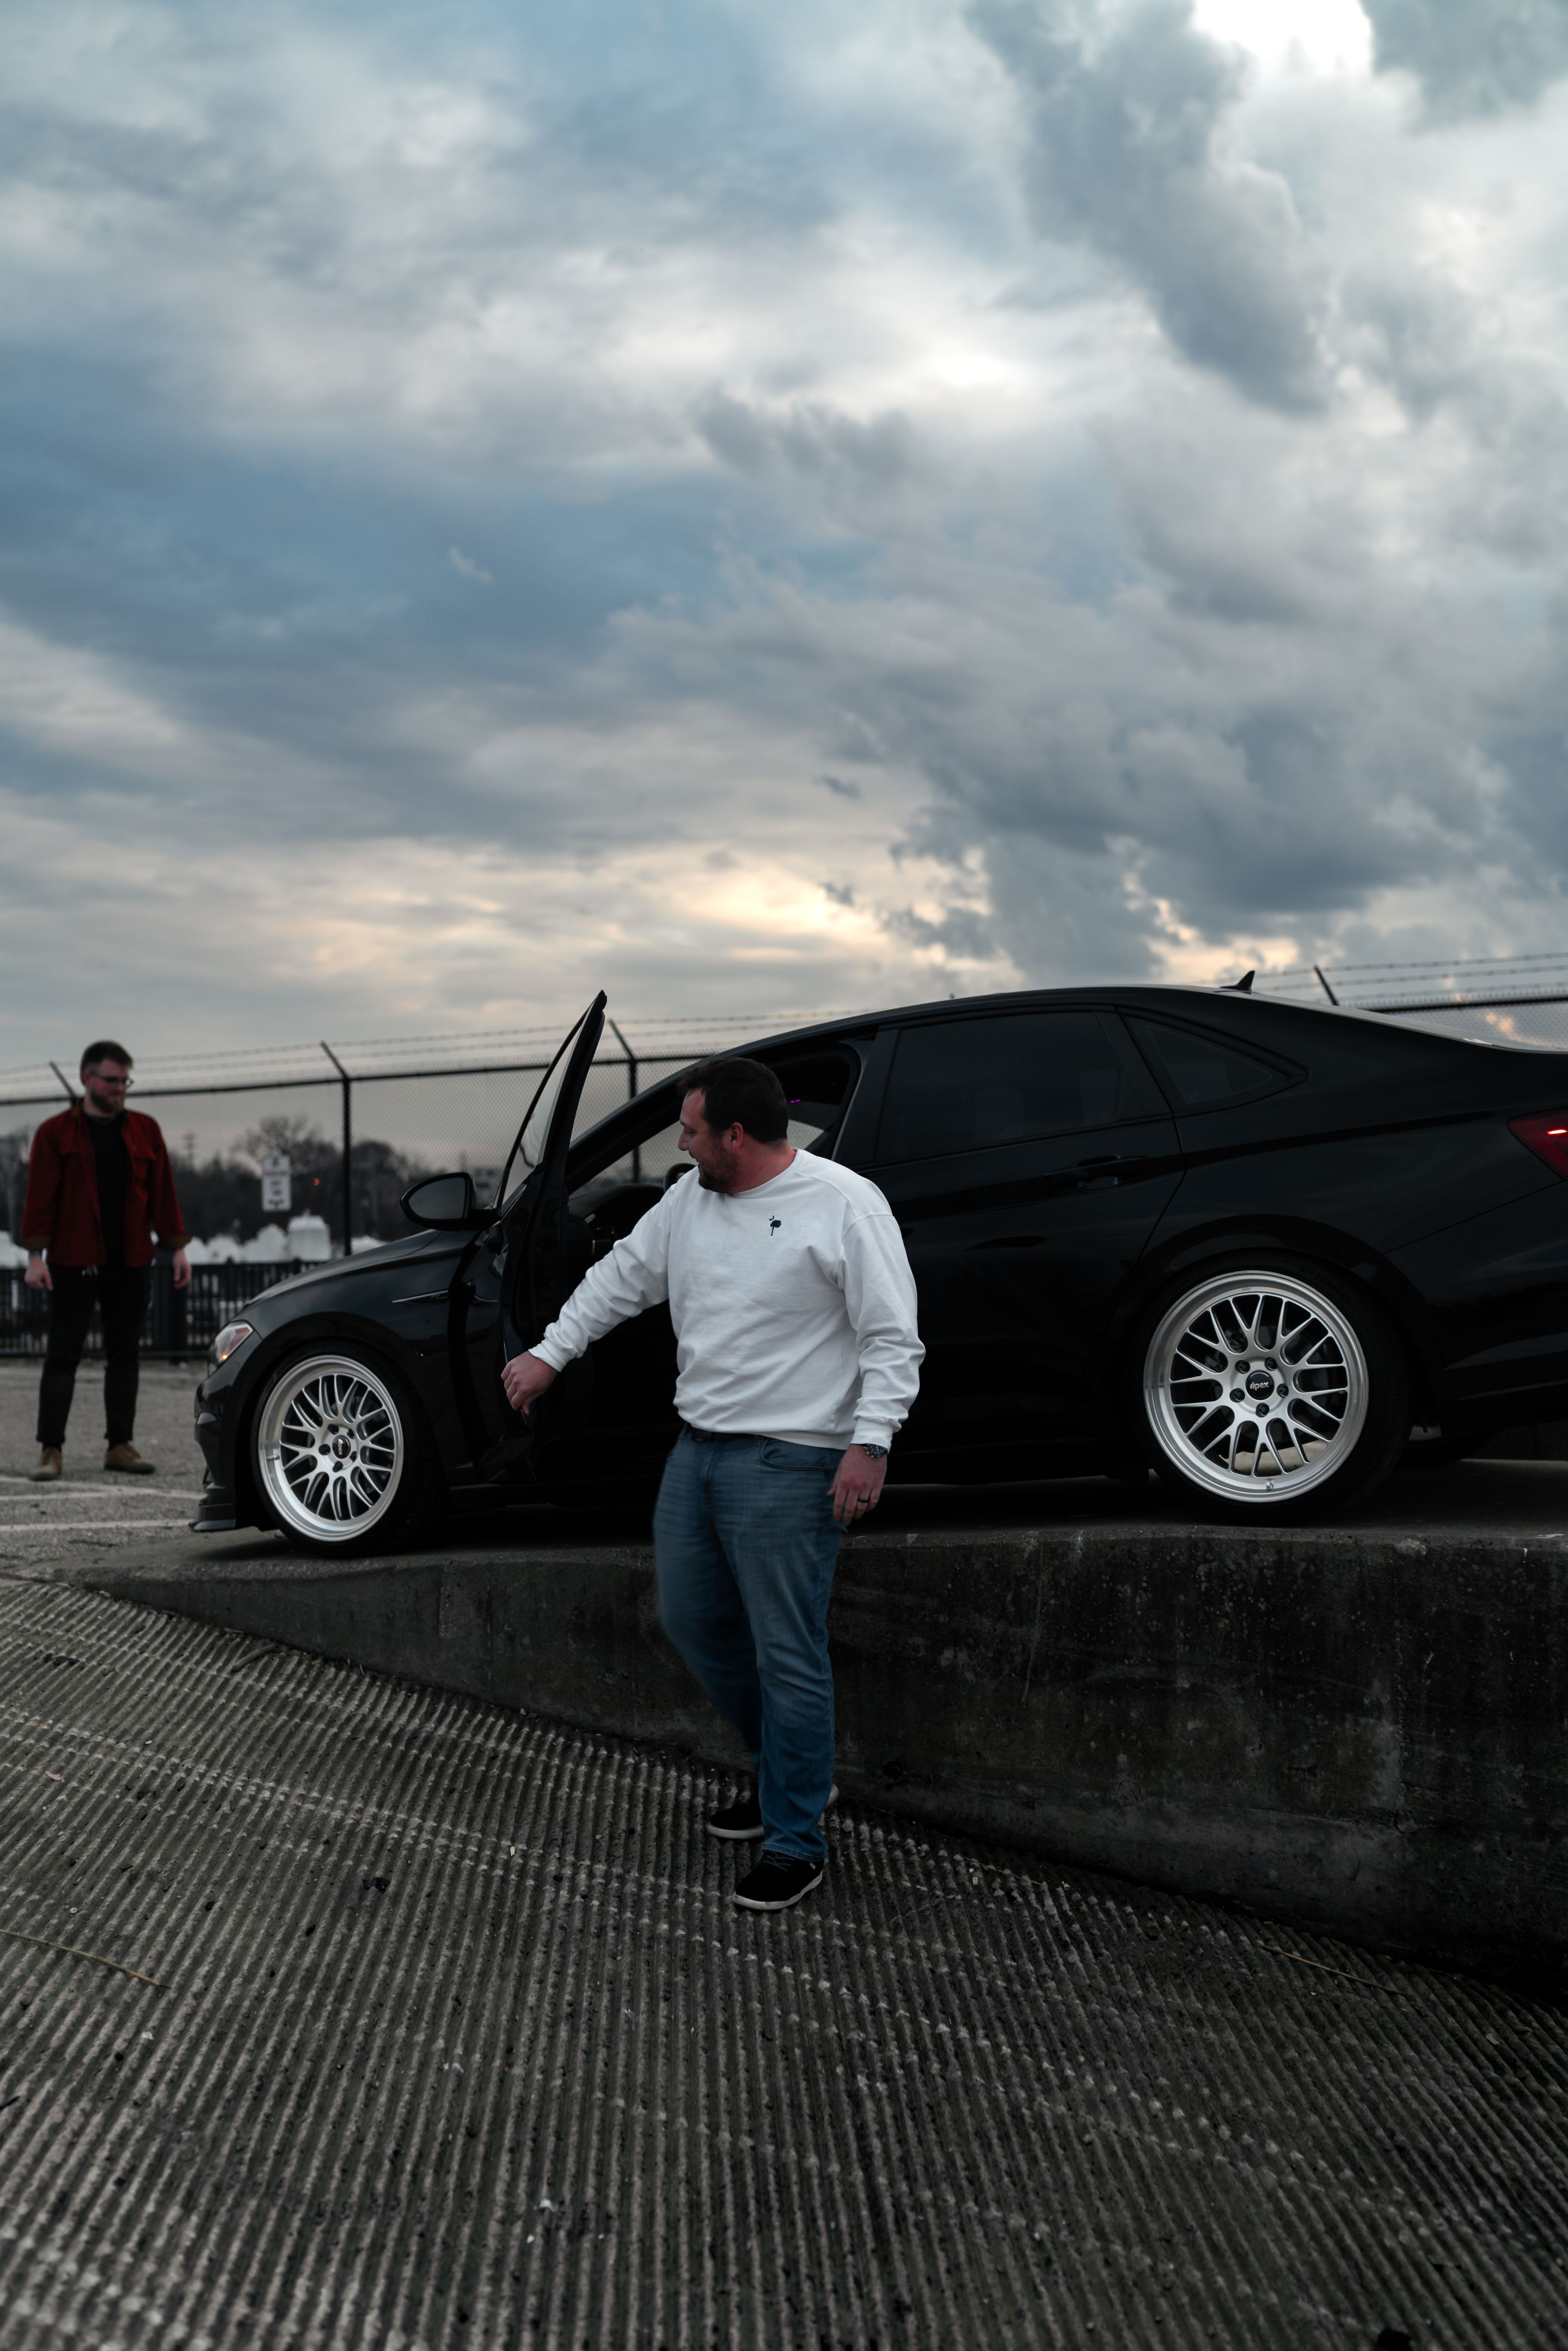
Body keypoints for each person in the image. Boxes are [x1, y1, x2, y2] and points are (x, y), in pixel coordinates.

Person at [501, 1055, 923, 1914]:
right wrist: (551, 1351)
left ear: (735, 1134)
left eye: (691, 1131)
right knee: (690, 1619)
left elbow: (891, 1338)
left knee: (786, 1650)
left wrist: (869, 1443)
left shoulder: (843, 1203)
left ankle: (796, 1836)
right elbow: (622, 1276)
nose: (681, 1146)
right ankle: (789, 1777)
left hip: (795, 1459)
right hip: (697, 1451)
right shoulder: (690, 1200)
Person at [21, 1040, 192, 1481]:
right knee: (62, 1356)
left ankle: (120, 1446)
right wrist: (35, 1258)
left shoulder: (145, 1131)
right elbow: (40, 1198)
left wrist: (176, 1248)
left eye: (125, 1082)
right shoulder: (55, 1133)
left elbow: (162, 1193)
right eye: (112, 1080)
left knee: (125, 1356)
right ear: (87, 1079)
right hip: (72, 1261)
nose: (119, 1089)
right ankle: (50, 1451)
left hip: (131, 1261)